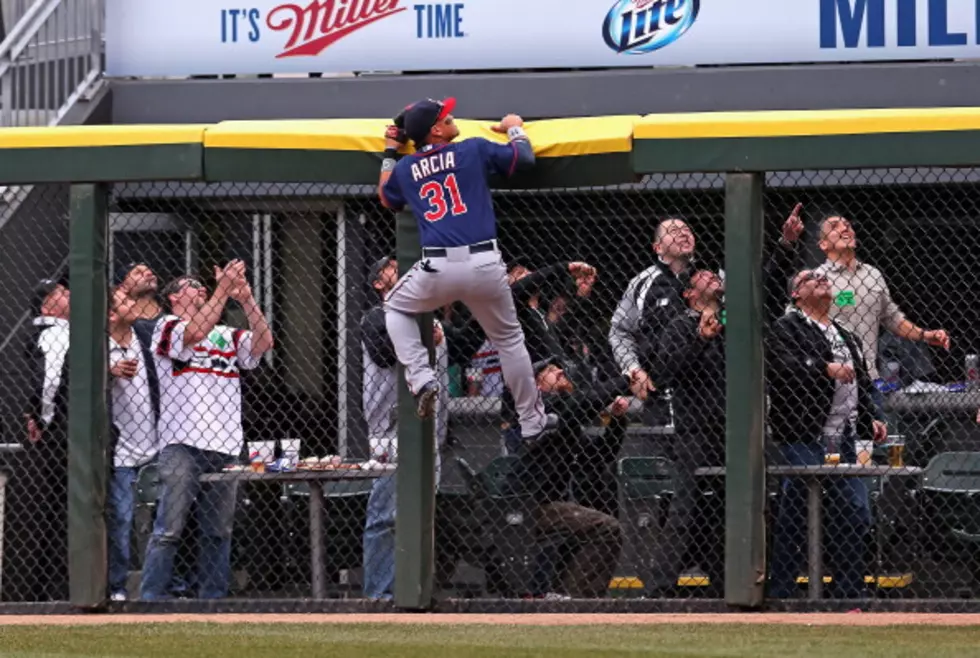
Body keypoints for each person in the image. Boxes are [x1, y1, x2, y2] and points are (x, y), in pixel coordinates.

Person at [376, 97, 555, 444]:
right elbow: (524, 159)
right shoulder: (471, 149)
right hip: (484, 263)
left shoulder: (406, 167)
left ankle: (421, 377)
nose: (453, 116)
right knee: (509, 341)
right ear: (437, 129)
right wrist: (514, 126)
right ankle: (532, 422)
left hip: (438, 266)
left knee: (395, 308)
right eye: (447, 115)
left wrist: (389, 149)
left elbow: (387, 197)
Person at [139, 260, 274, 600]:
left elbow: (263, 343)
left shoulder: (225, 334)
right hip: (181, 443)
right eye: (190, 285)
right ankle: (150, 599)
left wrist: (244, 299)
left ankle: (213, 600)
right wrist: (221, 290)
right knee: (169, 528)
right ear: (173, 298)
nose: (199, 288)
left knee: (219, 531)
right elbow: (195, 332)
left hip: (225, 443)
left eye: (203, 285)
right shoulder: (165, 326)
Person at [360, 255, 484, 600]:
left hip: (431, 434)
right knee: (386, 517)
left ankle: (415, 589)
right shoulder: (375, 317)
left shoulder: (430, 318)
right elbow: (385, 353)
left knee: (423, 516)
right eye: (390, 265)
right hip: (392, 430)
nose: (399, 266)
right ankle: (380, 594)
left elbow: (465, 346)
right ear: (379, 283)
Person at [768, 269, 888, 599]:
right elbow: (781, 366)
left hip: (844, 436)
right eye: (809, 279)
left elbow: (862, 384)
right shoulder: (786, 328)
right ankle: (781, 591)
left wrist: (872, 418)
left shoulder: (846, 335)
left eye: (822, 278)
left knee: (855, 511)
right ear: (795, 294)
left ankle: (850, 593)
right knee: (799, 512)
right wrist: (823, 366)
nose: (820, 280)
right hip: (803, 435)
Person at [505, 358, 629, 599]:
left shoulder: (567, 415)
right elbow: (579, 407)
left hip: (550, 505)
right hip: (527, 505)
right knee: (607, 528)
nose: (561, 371)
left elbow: (597, 456)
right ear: (537, 384)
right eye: (551, 371)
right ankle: (579, 600)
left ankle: (566, 596)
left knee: (594, 522)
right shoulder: (538, 408)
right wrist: (624, 381)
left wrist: (616, 421)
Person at [640, 270, 726, 597]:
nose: (712, 276)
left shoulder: (732, 322)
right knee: (684, 508)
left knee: (724, 508)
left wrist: (784, 245)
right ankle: (658, 589)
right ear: (690, 294)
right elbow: (666, 372)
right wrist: (700, 340)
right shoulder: (680, 325)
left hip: (729, 428)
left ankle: (724, 583)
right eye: (703, 276)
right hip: (696, 430)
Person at [813, 212, 950, 382]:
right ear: (823, 244)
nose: (844, 228)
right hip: (835, 375)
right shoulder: (816, 279)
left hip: (869, 376)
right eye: (834, 226)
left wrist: (926, 335)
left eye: (847, 225)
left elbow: (892, 318)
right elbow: (801, 324)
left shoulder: (873, 274)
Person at [107, 288, 158, 601]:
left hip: (154, 445)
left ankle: (165, 585)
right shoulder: (100, 347)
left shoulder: (144, 339)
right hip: (121, 451)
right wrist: (109, 372)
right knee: (122, 519)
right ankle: (116, 587)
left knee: (163, 521)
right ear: (112, 314)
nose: (134, 305)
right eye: (126, 302)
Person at [23, 278, 71, 601]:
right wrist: (43, 418)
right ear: (47, 306)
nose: (68, 295)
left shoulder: (49, 333)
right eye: (60, 293)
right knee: (64, 509)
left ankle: (46, 586)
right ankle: (54, 586)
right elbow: (49, 382)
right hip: (62, 433)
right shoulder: (55, 333)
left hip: (56, 431)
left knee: (56, 509)